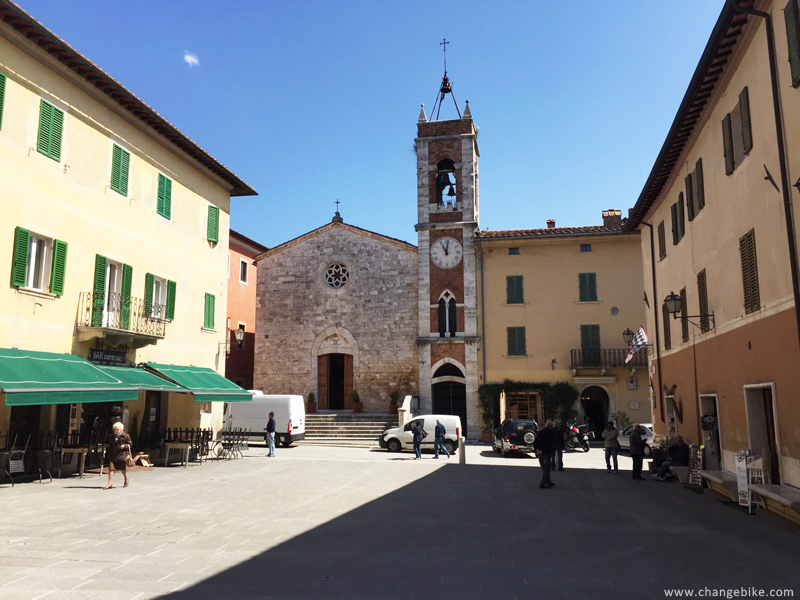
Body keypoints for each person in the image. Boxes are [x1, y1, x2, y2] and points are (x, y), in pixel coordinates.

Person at [103, 422, 132, 490]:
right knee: (111, 469)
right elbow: (109, 445)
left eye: (117, 429)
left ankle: (126, 478)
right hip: (113, 455)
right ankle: (110, 483)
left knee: (122, 469)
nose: (116, 431)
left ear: (121, 429)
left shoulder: (126, 436)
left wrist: (124, 445)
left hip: (121, 455)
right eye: (115, 429)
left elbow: (130, 444)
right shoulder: (111, 436)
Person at [533, 420, 555, 488]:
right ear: (551, 427)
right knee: (547, 469)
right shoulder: (550, 433)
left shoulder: (540, 432)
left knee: (544, 468)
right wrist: (543, 450)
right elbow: (549, 444)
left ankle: (549, 482)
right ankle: (543, 483)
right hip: (546, 453)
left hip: (539, 453)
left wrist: (537, 450)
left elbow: (535, 442)